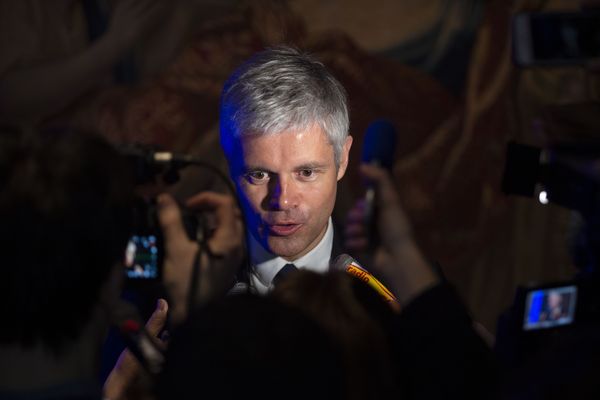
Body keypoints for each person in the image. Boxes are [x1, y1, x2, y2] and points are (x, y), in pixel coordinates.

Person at [219, 46, 353, 292]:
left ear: (342, 159)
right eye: (259, 175)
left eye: (306, 173)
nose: (283, 200)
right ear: (230, 166)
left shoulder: (399, 290)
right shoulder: (186, 291)